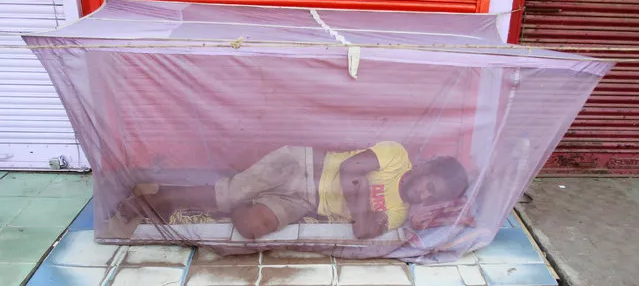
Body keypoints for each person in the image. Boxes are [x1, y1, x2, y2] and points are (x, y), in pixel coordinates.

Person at [123, 141, 469, 240]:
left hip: (305, 201)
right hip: (298, 166)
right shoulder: (397, 156)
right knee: (227, 196)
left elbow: (363, 232)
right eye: (430, 187)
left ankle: (232, 196)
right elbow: (350, 169)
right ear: (424, 168)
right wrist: (360, 197)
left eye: (432, 198)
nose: (424, 197)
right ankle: (147, 202)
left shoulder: (400, 213)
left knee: (251, 228)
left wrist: (360, 191)